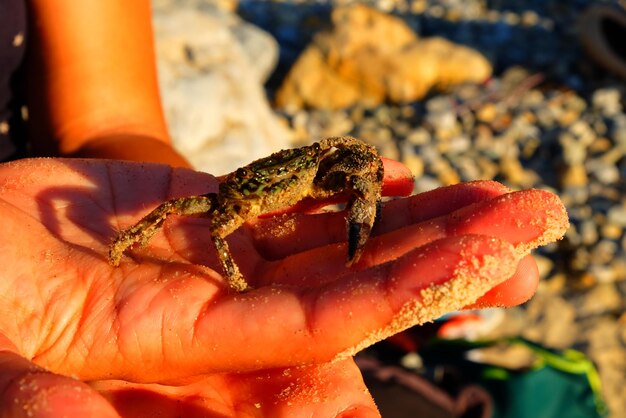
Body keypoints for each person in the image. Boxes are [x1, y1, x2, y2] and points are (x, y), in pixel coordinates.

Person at [0, 1, 569, 417]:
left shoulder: (311, 168)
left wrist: (356, 198)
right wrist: (165, 257)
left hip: (267, 181)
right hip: (231, 197)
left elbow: (110, 122)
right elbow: (181, 217)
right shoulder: (223, 206)